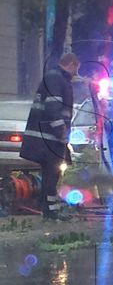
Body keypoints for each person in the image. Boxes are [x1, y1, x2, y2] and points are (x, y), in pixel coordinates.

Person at [20, 53, 81, 220]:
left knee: (51, 172)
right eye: (76, 69)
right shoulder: (56, 79)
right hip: (48, 137)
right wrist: (61, 129)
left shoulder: (55, 78)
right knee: (52, 173)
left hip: (47, 136)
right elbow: (53, 106)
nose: (75, 73)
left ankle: (48, 208)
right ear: (72, 65)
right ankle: (50, 211)